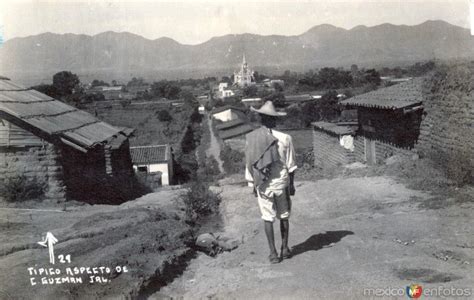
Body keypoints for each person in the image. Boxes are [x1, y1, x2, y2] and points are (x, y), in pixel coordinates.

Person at [245, 101, 297, 264]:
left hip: (263, 184)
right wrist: (292, 185)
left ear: (260, 119)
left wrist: (252, 184)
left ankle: (273, 253)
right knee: (284, 216)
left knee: (267, 218)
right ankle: (285, 248)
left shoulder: (251, 139)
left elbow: (250, 163)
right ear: (275, 120)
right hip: (281, 183)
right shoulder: (285, 138)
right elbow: (291, 165)